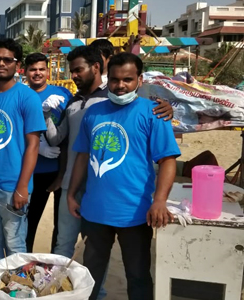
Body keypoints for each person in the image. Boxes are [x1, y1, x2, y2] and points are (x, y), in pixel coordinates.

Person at [69, 52, 180, 300]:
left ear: (139, 80)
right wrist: (71, 193)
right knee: (90, 277)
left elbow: (167, 160)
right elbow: (82, 156)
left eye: (127, 80)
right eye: (115, 80)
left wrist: (160, 200)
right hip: (95, 213)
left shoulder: (154, 113)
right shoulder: (93, 114)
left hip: (136, 214)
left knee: (139, 277)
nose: (120, 86)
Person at [0, 38, 46, 264]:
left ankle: (18, 290)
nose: (1, 63)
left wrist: (23, 186)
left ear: (17, 65)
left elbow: (33, 144)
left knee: (15, 243)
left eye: (7, 59)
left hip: (14, 183)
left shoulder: (28, 97)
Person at [23, 52, 73, 253]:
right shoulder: (21, 95)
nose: (37, 73)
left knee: (61, 226)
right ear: (25, 72)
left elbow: (71, 130)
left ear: (48, 70)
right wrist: (38, 147)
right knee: (29, 223)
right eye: (33, 69)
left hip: (61, 168)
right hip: (34, 171)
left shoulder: (63, 94)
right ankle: (25, 264)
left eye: (41, 69)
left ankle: (55, 266)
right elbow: (17, 131)